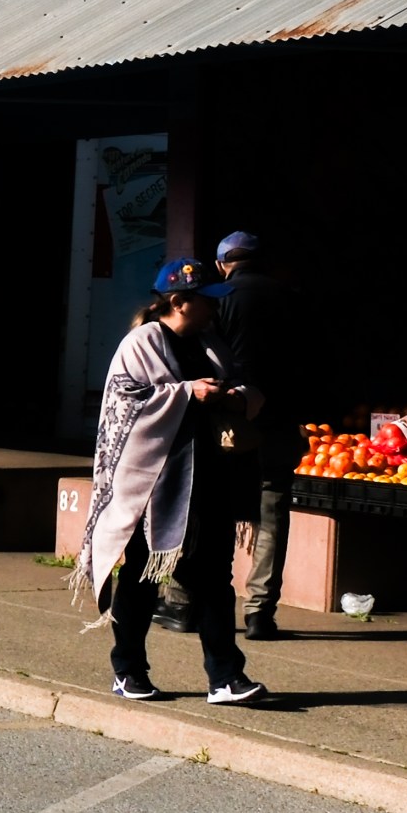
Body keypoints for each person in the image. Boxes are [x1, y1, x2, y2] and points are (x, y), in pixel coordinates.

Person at [74, 263, 264, 706]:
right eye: (207, 299)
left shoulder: (209, 342)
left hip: (209, 481)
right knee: (141, 580)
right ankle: (128, 671)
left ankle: (226, 678)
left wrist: (237, 396)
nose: (215, 306)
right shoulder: (140, 343)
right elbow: (126, 403)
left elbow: (244, 387)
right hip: (157, 490)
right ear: (179, 302)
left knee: (217, 582)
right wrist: (185, 393)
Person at [206, 232, 309, 637]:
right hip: (280, 420)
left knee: (214, 509)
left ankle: (192, 601)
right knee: (272, 512)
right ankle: (259, 612)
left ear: (221, 265)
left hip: (230, 420)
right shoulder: (293, 299)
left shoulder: (218, 299)